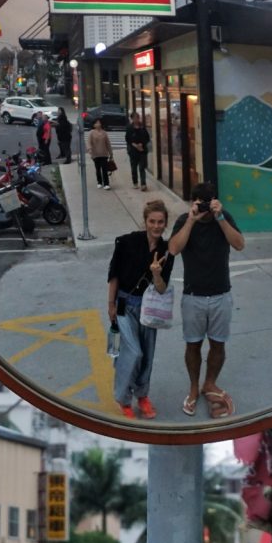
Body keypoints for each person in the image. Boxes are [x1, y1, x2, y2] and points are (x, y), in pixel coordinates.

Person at [168, 181, 245, 419]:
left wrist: (220, 217)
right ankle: (193, 388)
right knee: (192, 344)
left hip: (221, 293)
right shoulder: (184, 220)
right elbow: (173, 248)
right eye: (199, 203)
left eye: (207, 203)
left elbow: (239, 244)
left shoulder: (224, 217)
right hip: (193, 296)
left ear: (214, 202)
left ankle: (209, 383)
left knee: (218, 344)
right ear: (193, 202)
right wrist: (191, 219)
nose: (204, 209)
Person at [107, 200, 174, 419]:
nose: (156, 226)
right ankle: (123, 398)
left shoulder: (166, 251)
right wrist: (111, 304)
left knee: (147, 355)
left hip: (149, 308)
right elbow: (114, 274)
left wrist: (156, 273)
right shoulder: (127, 242)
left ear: (165, 224)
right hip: (125, 305)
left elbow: (162, 288)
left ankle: (142, 396)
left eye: (160, 222)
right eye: (152, 221)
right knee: (132, 353)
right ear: (145, 221)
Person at [126, 112, 150, 191]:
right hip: (133, 151)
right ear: (132, 119)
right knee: (134, 168)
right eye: (135, 118)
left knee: (142, 168)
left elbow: (147, 138)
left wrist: (141, 144)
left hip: (142, 150)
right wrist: (134, 145)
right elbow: (127, 139)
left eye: (137, 118)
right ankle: (135, 183)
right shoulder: (129, 128)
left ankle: (143, 184)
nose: (136, 119)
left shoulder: (142, 127)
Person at [87, 118, 112, 189]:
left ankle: (106, 184)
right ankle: (99, 182)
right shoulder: (91, 132)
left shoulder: (104, 133)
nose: (98, 124)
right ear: (94, 125)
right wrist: (90, 149)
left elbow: (108, 143)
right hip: (95, 154)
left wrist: (111, 153)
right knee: (98, 169)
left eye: (99, 123)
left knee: (104, 169)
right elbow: (88, 142)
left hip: (104, 154)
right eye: (96, 123)